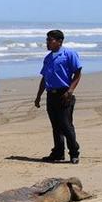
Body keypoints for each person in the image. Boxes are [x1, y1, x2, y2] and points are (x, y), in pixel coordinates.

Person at [34, 29, 83, 164]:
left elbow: (78, 73)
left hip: (64, 94)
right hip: (51, 94)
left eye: (50, 40)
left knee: (66, 125)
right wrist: (38, 96)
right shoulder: (48, 58)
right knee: (55, 126)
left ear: (59, 41)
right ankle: (58, 152)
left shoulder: (69, 54)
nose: (47, 43)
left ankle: (74, 152)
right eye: (47, 40)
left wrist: (70, 90)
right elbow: (44, 78)